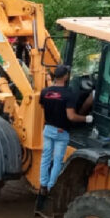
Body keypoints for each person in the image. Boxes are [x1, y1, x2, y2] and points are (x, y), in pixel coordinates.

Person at [38, 65, 92, 205]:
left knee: (45, 157)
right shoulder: (69, 94)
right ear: (66, 76)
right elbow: (71, 116)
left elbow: (43, 107)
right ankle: (51, 187)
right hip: (61, 132)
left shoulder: (45, 92)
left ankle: (43, 185)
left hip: (48, 129)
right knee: (58, 160)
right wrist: (86, 119)